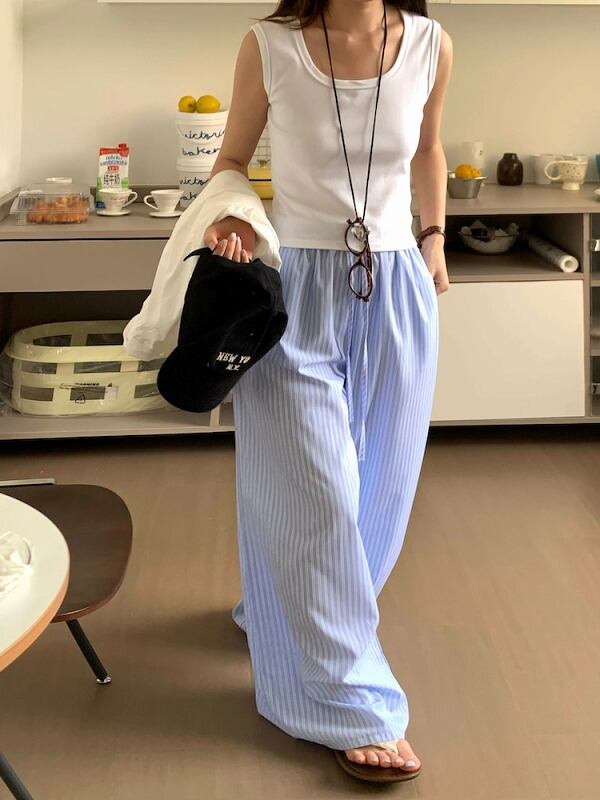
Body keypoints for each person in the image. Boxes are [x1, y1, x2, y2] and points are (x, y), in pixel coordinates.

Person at [203, 0, 453, 781]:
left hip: (397, 287)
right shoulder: (269, 46)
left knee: (381, 489)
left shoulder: (433, 45)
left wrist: (434, 236)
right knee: (315, 490)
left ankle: (284, 609)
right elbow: (231, 160)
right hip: (295, 291)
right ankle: (352, 701)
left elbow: (430, 149)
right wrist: (236, 219)